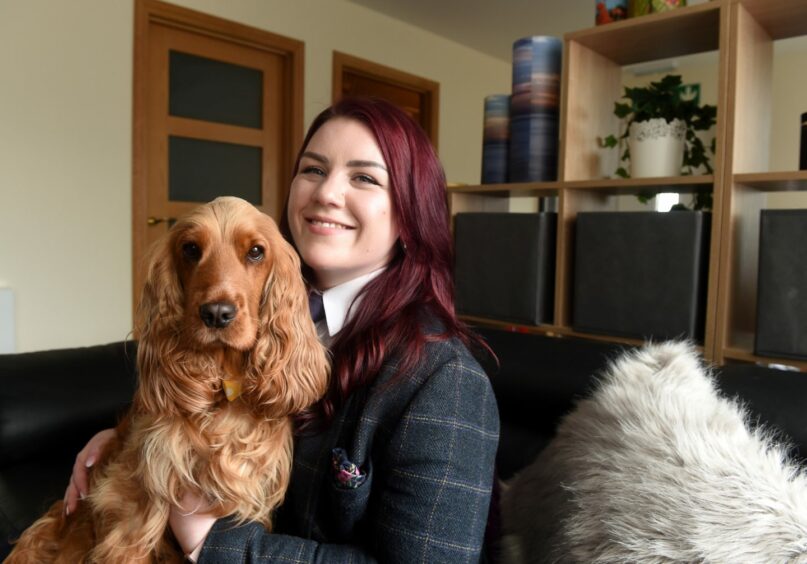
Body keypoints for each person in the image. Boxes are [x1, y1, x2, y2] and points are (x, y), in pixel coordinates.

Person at [65, 97, 500, 563]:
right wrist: (128, 446)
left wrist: (210, 543)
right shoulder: (266, 312)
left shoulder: (445, 382)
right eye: (313, 170)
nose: (326, 193)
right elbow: (205, 411)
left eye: (364, 177)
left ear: (411, 212)